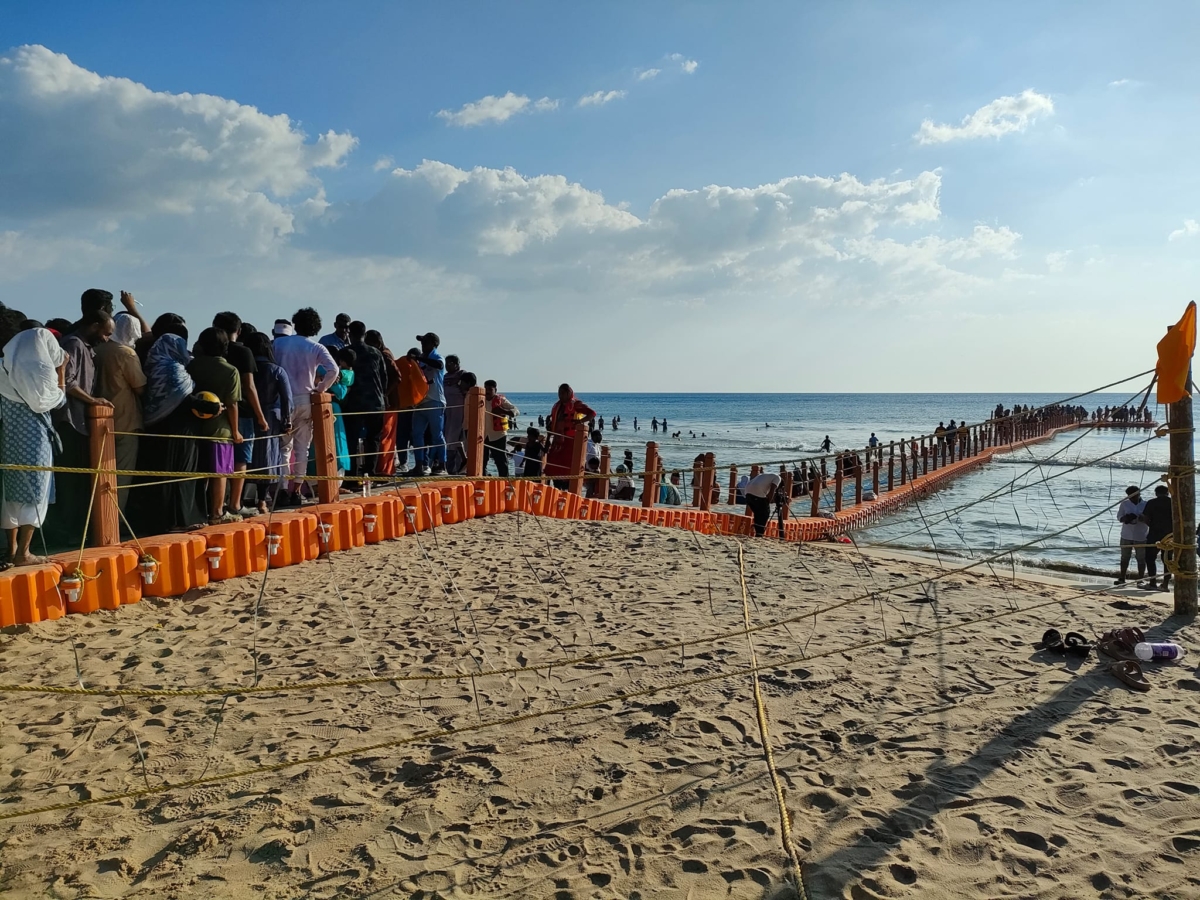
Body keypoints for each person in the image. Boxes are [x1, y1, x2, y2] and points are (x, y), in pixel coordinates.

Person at [45, 310, 114, 548]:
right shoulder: (73, 344)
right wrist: (93, 400)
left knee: (78, 483)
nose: (107, 338)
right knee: (69, 484)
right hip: (69, 421)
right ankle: (65, 535)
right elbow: (68, 381)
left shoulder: (85, 346)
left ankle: (75, 531)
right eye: (106, 333)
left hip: (80, 423)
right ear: (94, 325)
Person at [0, 327, 66, 566]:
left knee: (11, 492)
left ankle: (12, 550)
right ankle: (24, 554)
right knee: (35, 492)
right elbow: (57, 401)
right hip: (35, 439)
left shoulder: (3, 366)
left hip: (10, 437)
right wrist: (62, 371)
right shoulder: (40, 371)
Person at [273, 308, 337, 506]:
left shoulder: (277, 343)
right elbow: (333, 370)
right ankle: (297, 490)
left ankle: (282, 489)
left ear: (295, 324)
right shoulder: (316, 347)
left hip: (282, 401)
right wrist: (320, 389)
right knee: (302, 448)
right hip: (306, 399)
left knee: (283, 448)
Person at [213, 312, 267, 516]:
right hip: (242, 411)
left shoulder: (209, 351)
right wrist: (260, 416)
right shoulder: (244, 352)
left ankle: (216, 506)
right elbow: (250, 386)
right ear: (239, 330)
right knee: (240, 459)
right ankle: (235, 504)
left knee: (219, 460)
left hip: (214, 411)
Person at [93, 311, 147, 513]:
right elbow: (140, 386)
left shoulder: (98, 349)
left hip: (98, 419)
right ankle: (115, 519)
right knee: (122, 475)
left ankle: (99, 519)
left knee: (101, 474)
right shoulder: (126, 353)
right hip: (125, 420)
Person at [188, 327, 242, 525]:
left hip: (194, 426)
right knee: (220, 472)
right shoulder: (230, 371)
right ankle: (217, 512)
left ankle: (199, 511)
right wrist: (236, 431)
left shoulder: (192, 366)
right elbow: (233, 404)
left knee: (200, 472)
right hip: (221, 428)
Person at [244, 332, 292, 513]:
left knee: (247, 457)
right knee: (267, 458)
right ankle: (262, 501)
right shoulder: (277, 370)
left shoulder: (246, 369)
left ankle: (240, 499)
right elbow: (288, 399)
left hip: (247, 415)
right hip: (271, 417)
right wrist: (288, 421)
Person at [344, 321, 388, 482]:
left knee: (352, 439)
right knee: (373, 439)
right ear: (364, 333)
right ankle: (370, 472)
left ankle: (352, 474)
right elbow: (384, 377)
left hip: (354, 402)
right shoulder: (376, 352)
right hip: (376, 401)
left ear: (349, 333)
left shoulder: (346, 352)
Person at [544, 384, 596, 489]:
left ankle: (567, 489)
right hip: (557, 441)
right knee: (552, 466)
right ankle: (554, 488)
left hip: (570, 441)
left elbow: (592, 413)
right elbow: (552, 425)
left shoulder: (576, 404)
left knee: (568, 467)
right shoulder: (556, 406)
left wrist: (580, 421)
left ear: (568, 393)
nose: (560, 396)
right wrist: (548, 440)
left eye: (562, 393)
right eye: (559, 393)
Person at [365, 330, 402, 476]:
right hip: (385, 401)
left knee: (386, 436)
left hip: (389, 402)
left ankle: (385, 470)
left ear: (376, 343)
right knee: (385, 436)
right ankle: (384, 469)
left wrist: (384, 394)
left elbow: (397, 376)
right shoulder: (383, 353)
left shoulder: (385, 355)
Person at [410, 333, 447, 476]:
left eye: (425, 342)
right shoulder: (421, 362)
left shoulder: (437, 357)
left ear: (433, 343)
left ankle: (442, 465)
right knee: (417, 434)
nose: (422, 345)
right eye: (422, 342)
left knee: (437, 435)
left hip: (435, 401)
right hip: (420, 402)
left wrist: (418, 358)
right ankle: (419, 464)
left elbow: (439, 365)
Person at [327, 347, 356, 478]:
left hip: (330, 408)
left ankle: (331, 477)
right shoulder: (350, 374)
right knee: (339, 442)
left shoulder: (337, 373)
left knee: (332, 442)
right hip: (336, 409)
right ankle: (338, 477)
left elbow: (340, 391)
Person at [483, 379, 519, 477]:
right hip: (483, 435)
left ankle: (505, 482)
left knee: (501, 461)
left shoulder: (501, 400)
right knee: (482, 460)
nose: (487, 391)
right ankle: (483, 481)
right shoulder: (480, 400)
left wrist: (502, 411)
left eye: (490, 389)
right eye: (486, 389)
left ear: (495, 390)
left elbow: (515, 411)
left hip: (498, 435)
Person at [1142, 484, 1174, 591]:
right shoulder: (1173, 503)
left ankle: (1152, 583)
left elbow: (1146, 518)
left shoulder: (1152, 502)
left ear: (1156, 493)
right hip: (1170, 535)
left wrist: (1152, 525)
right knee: (1167, 560)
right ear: (1167, 493)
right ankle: (1165, 584)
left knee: (1150, 558)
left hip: (1154, 533)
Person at [1115, 485, 1149, 585]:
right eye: (1130, 496)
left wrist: (1142, 518)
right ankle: (1122, 578)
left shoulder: (1146, 504)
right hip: (1126, 535)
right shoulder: (1124, 504)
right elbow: (1119, 517)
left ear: (1139, 494)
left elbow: (1150, 520)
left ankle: (1140, 579)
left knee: (1141, 558)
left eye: (1134, 496)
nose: (1132, 498)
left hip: (1141, 535)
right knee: (1125, 557)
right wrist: (1126, 518)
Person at [442, 355, 467, 474]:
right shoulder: (445, 376)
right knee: (448, 436)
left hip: (459, 408)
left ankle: (457, 467)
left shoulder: (462, 374)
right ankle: (452, 467)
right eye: (446, 363)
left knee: (455, 435)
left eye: (450, 363)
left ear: (457, 364)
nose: (447, 366)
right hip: (447, 408)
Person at [743, 471, 782, 537]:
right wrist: (768, 502)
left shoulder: (766, 476)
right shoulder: (778, 478)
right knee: (765, 513)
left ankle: (758, 531)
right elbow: (772, 489)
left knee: (758, 513)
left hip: (747, 493)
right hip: (757, 492)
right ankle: (759, 533)